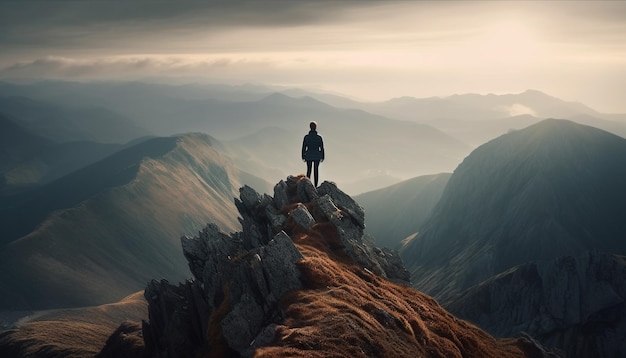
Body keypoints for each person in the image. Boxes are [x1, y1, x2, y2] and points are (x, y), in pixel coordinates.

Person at [301, 121, 325, 187]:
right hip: (317, 155)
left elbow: (304, 147)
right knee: (316, 171)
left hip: (308, 155)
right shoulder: (319, 138)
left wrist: (303, 156)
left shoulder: (306, 137)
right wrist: (322, 156)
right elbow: (322, 148)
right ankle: (315, 186)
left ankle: (307, 185)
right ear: (315, 127)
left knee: (309, 170)